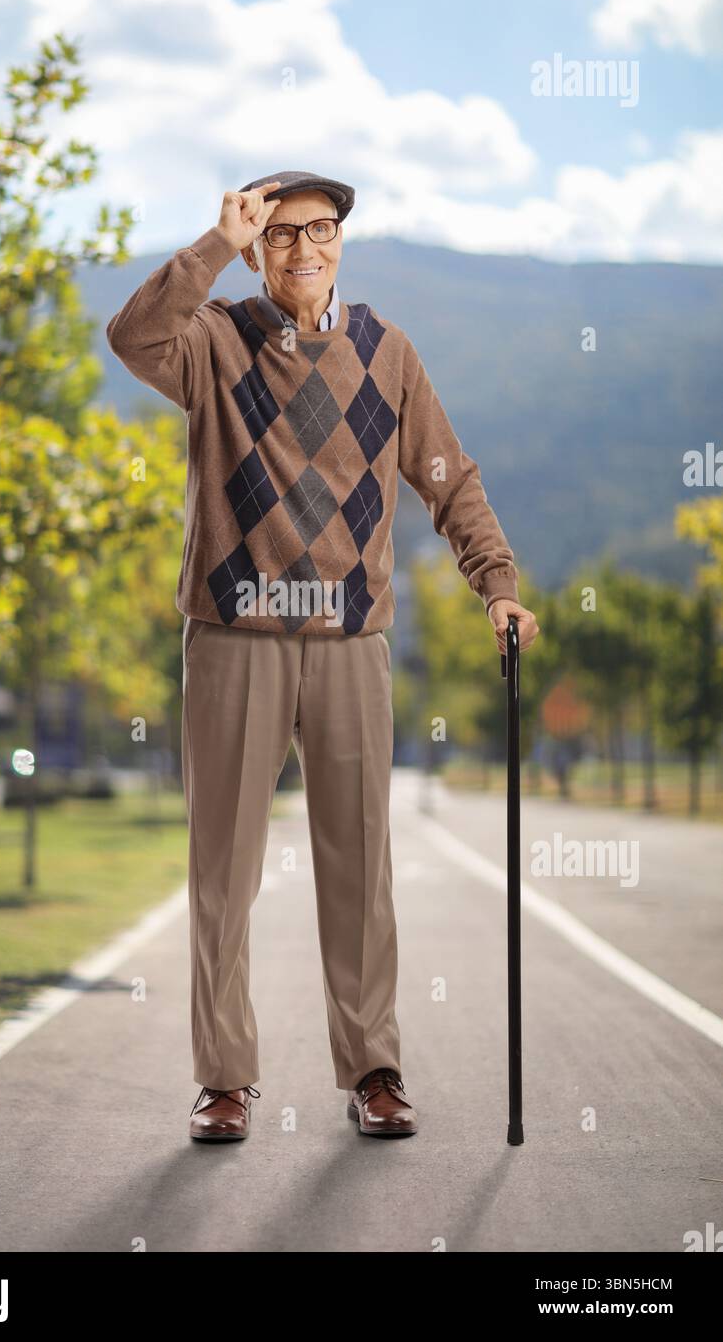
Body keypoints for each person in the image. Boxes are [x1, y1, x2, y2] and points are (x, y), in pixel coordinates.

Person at [106, 170, 539, 1143]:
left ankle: (373, 1070)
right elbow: (130, 337)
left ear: (342, 241)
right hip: (234, 642)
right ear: (257, 248)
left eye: (321, 230)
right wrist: (210, 244)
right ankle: (224, 1079)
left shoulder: (385, 353)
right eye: (282, 233)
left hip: (348, 646)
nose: (304, 248)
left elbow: (444, 475)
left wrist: (496, 583)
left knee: (359, 866)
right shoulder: (213, 340)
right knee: (222, 871)